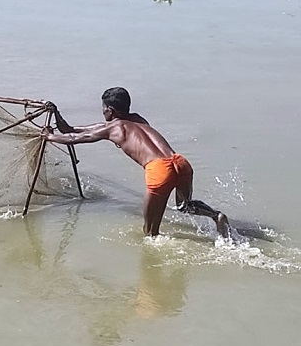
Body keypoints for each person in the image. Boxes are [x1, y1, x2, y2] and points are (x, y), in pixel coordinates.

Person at [46, 88, 229, 239]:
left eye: (103, 109)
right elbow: (69, 129)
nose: (102, 112)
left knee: (150, 234)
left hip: (159, 169)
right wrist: (56, 112)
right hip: (180, 162)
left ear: (110, 110)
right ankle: (216, 216)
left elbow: (74, 137)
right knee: (184, 205)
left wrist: (49, 137)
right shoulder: (138, 119)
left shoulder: (113, 129)